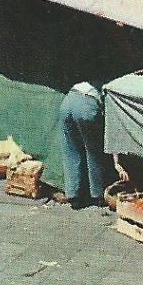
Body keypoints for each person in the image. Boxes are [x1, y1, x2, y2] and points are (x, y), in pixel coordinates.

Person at [55, 81, 107, 209]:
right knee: (93, 151)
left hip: (68, 101)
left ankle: (73, 195)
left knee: (70, 150)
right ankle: (97, 194)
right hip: (87, 104)